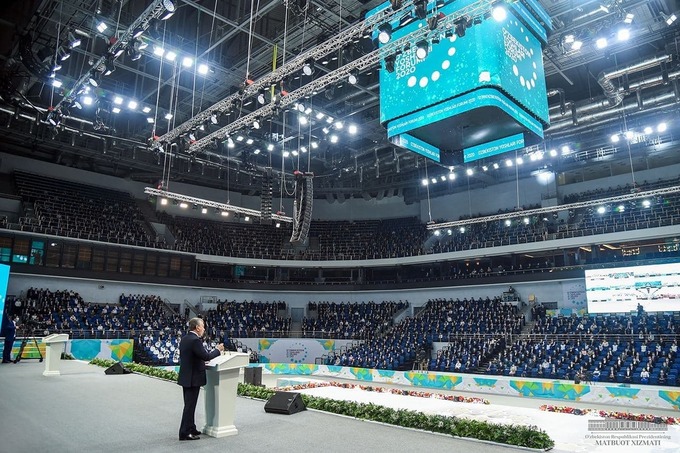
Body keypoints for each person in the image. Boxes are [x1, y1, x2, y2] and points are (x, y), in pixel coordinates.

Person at [177, 317, 224, 441]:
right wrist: (218, 350)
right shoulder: (195, 340)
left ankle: (191, 427)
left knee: (189, 405)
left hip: (186, 377)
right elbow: (205, 356)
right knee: (190, 406)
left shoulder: (185, 338)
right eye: (202, 326)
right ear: (197, 327)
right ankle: (184, 432)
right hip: (193, 378)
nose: (204, 328)